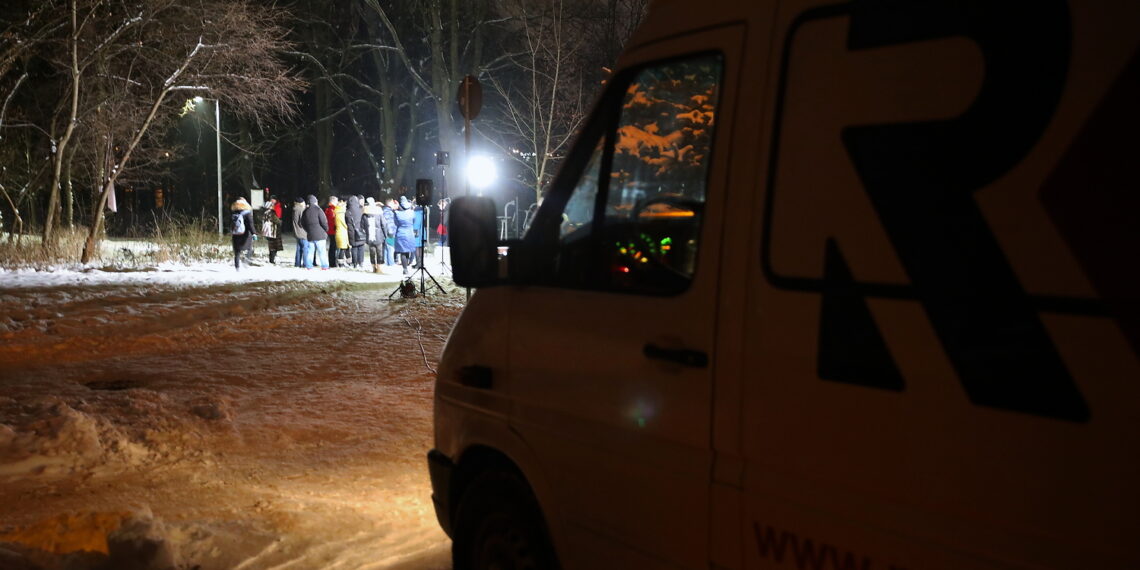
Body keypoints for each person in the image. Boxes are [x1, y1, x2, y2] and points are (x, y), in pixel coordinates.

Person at [300, 195, 329, 269]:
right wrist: (326, 229)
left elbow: (302, 223)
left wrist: (308, 230)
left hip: (310, 234)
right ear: (315, 201)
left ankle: (309, 266)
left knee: (310, 251)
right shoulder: (318, 210)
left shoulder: (305, 211)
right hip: (320, 234)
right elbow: (324, 221)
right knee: (322, 251)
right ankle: (324, 266)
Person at [394, 195, 418, 275]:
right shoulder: (412, 212)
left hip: (401, 233)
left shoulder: (397, 213)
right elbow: (414, 221)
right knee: (407, 250)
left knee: (402, 252)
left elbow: (396, 223)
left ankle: (405, 269)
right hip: (409, 233)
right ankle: (407, 266)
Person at [230, 197, 257, 270]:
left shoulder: (234, 213)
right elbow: (250, 225)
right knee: (250, 249)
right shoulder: (247, 213)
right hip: (245, 235)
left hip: (235, 235)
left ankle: (237, 268)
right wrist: (254, 233)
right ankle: (246, 261)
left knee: (237, 252)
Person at [362, 197, 385, 273]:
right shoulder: (379, 213)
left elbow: (362, 226)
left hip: (370, 236)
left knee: (372, 252)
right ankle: (379, 268)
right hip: (378, 235)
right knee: (379, 252)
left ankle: (373, 267)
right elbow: (383, 224)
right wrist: (385, 234)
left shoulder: (365, 214)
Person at [261, 197, 284, 264]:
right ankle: (272, 260)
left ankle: (271, 259)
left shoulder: (265, 213)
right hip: (273, 231)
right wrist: (280, 221)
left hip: (268, 232)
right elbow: (278, 221)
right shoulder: (271, 213)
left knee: (271, 246)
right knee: (274, 247)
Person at [345, 195, 365, 269]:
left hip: (351, 232)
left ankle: (355, 263)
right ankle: (361, 262)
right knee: (361, 247)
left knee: (354, 248)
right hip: (360, 231)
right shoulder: (360, 210)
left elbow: (346, 221)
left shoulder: (347, 212)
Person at [292, 196, 309, 267]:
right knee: (305, 249)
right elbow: (302, 221)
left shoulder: (294, 209)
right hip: (303, 232)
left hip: (296, 232)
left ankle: (297, 263)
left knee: (299, 249)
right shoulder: (301, 209)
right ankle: (305, 263)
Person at [382, 197, 398, 267]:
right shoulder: (388, 212)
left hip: (386, 233)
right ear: (389, 203)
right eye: (392, 203)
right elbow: (389, 224)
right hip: (390, 233)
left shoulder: (384, 210)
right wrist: (391, 233)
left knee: (386, 248)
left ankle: (386, 262)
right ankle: (391, 263)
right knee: (391, 248)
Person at [324, 196, 339, 268]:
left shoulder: (327, 209)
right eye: (336, 201)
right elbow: (333, 220)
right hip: (333, 230)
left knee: (332, 247)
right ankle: (332, 263)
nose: (337, 203)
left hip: (330, 230)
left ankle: (332, 262)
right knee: (333, 247)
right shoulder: (332, 209)